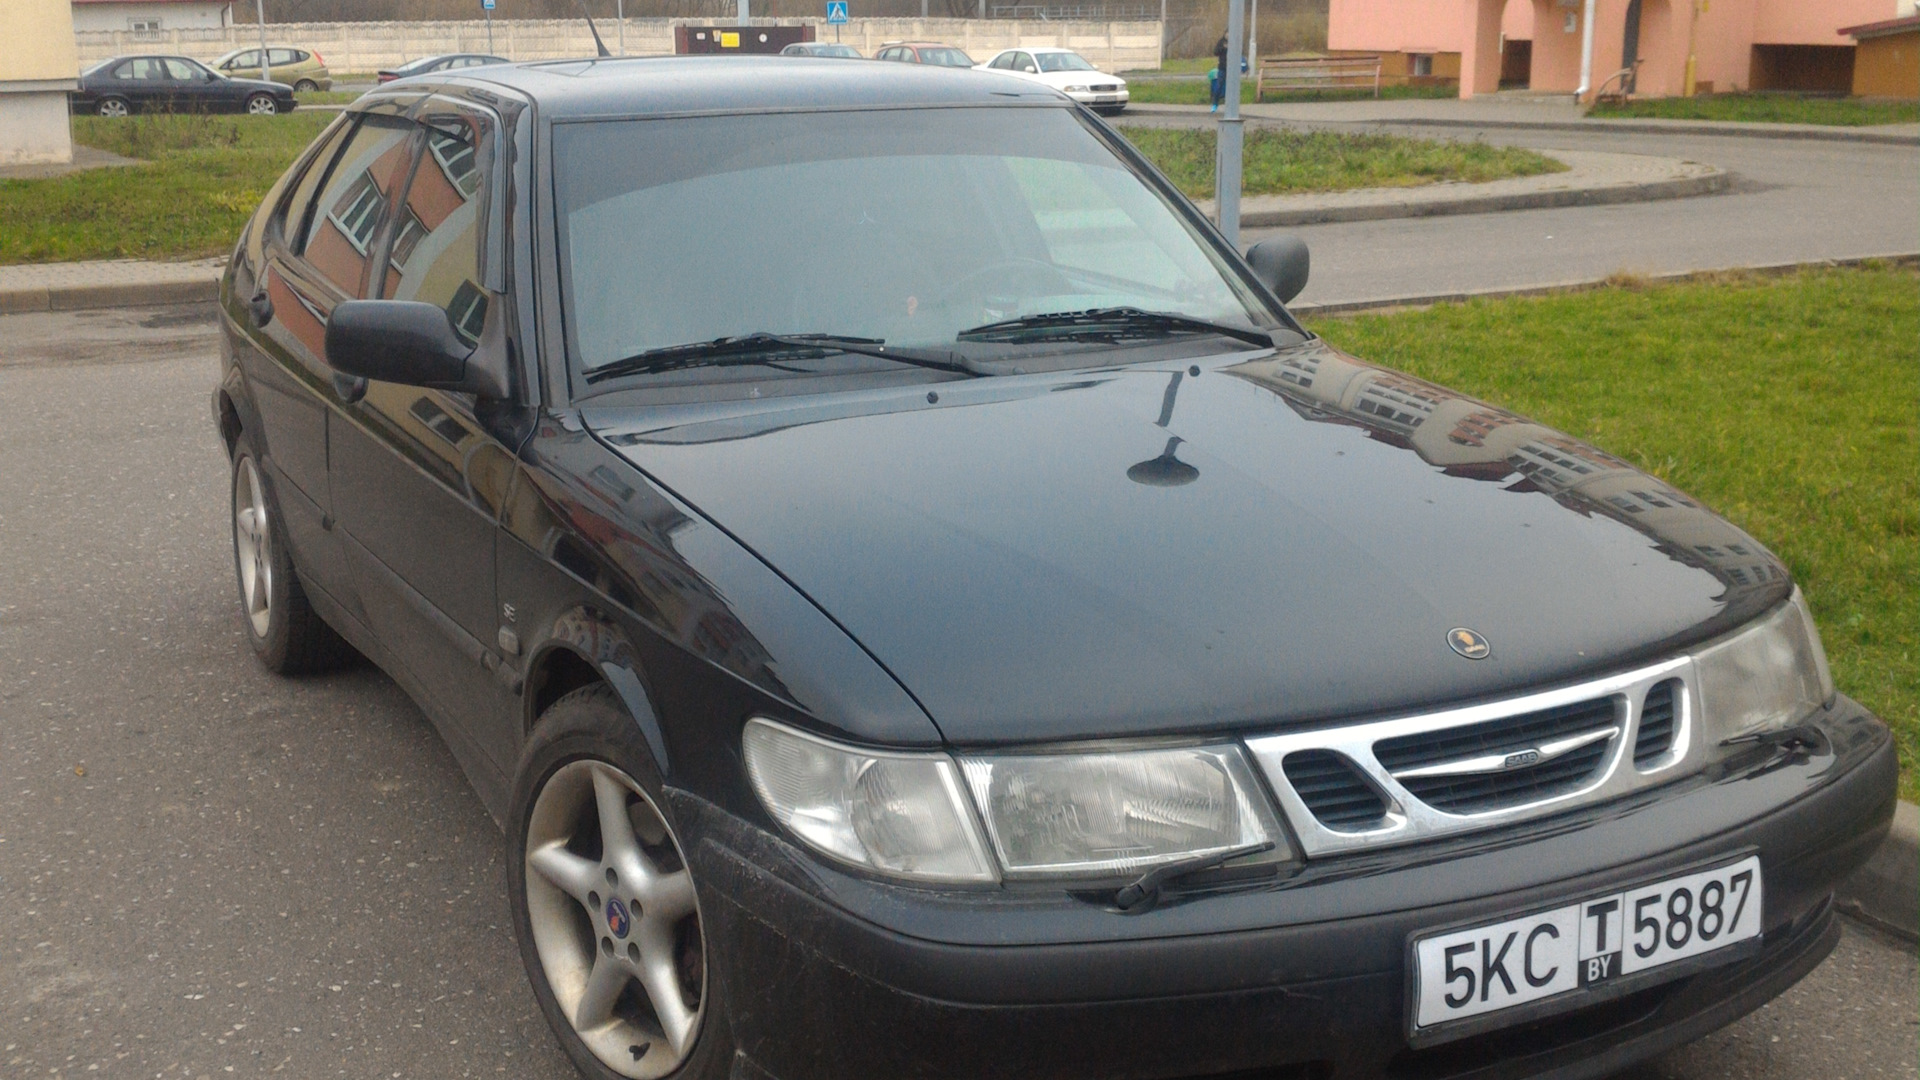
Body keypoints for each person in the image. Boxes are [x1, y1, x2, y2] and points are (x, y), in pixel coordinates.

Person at [1210, 33, 1229, 111]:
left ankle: (1229, 103)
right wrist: (1223, 48)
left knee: (1231, 86)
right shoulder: (1221, 42)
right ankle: (1215, 103)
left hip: (1232, 68)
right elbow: (1216, 52)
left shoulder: (1234, 42)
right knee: (1219, 85)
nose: (1228, 36)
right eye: (1227, 34)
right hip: (1222, 67)